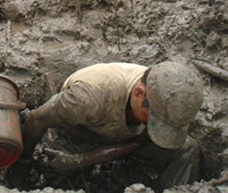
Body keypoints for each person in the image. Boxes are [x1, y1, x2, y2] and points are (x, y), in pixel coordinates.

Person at [21, 62, 204, 190]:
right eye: (155, 121)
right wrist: (23, 162)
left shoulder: (165, 102)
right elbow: (36, 120)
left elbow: (143, 138)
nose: (156, 126)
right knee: (58, 179)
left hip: (125, 134)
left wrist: (82, 161)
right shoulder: (87, 99)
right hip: (81, 130)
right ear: (139, 94)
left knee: (187, 149)